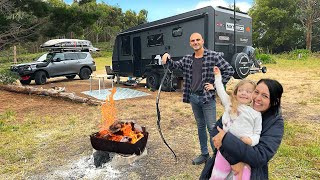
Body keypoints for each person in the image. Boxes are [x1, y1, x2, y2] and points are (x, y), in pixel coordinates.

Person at [162, 32, 234, 165]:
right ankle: (204, 154)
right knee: (200, 126)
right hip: (194, 97)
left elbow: (229, 70)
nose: (195, 42)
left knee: (212, 127)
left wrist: (216, 85)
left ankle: (218, 157)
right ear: (190, 43)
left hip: (207, 98)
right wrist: (167, 57)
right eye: (192, 40)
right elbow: (174, 66)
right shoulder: (188, 58)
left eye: (197, 40)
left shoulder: (213, 56)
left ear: (202, 41)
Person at [201, 78, 284, 179]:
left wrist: (225, 139)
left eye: (265, 96)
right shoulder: (237, 107)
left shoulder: (275, 123)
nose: (257, 98)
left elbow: (259, 156)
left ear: (274, 101)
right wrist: (233, 161)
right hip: (222, 164)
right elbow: (216, 131)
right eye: (256, 92)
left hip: (250, 173)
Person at [209, 67, 262, 180]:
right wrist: (218, 76)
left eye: (248, 91)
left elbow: (257, 134)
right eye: (241, 90)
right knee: (217, 176)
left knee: (241, 177)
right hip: (225, 150)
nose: (244, 93)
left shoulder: (256, 114)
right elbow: (220, 90)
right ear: (236, 92)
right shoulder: (229, 103)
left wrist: (250, 140)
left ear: (254, 95)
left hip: (242, 152)